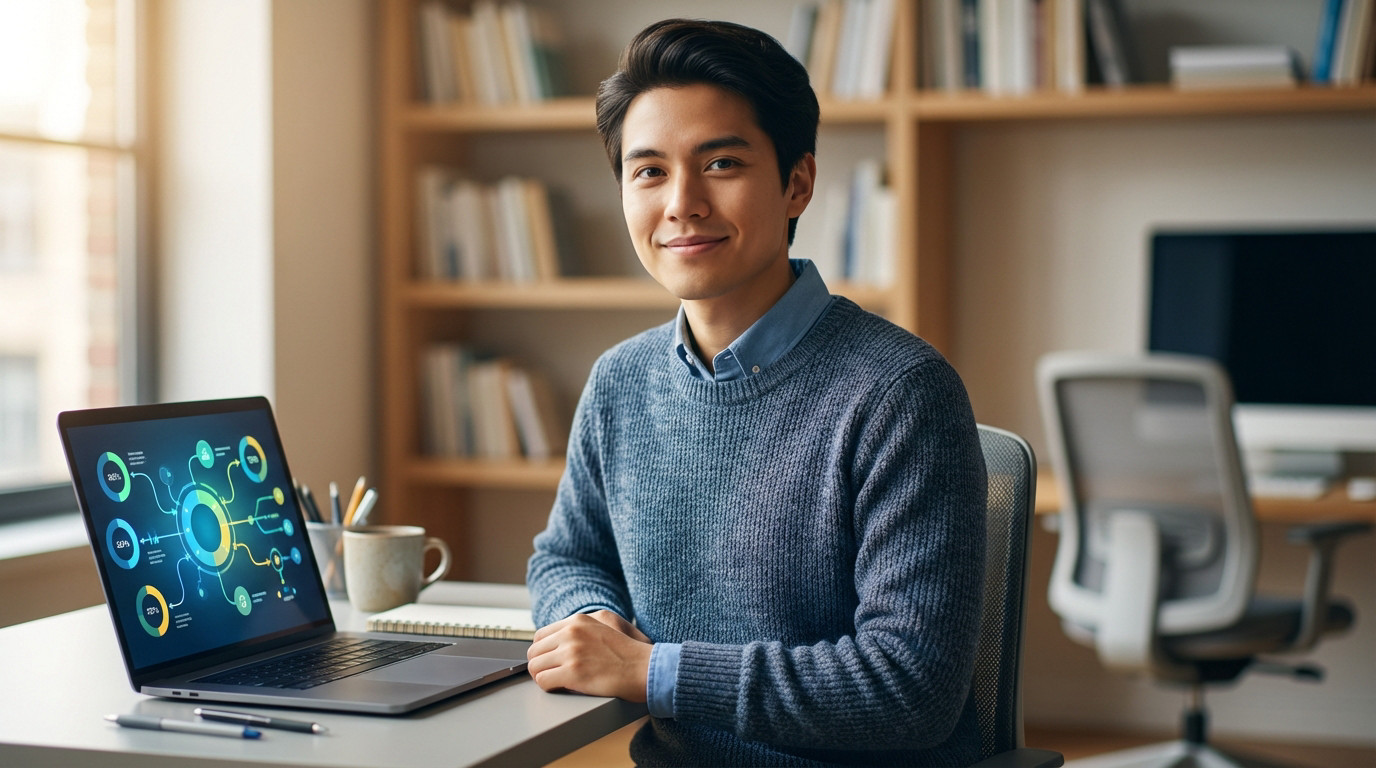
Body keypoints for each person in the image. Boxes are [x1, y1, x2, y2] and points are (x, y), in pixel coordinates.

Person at [525, 18, 987, 767]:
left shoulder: (901, 392)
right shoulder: (621, 379)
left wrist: (651, 672)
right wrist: (593, 623)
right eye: (648, 172)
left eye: (721, 163)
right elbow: (566, 556)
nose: (682, 203)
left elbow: (911, 687)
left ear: (796, 182)